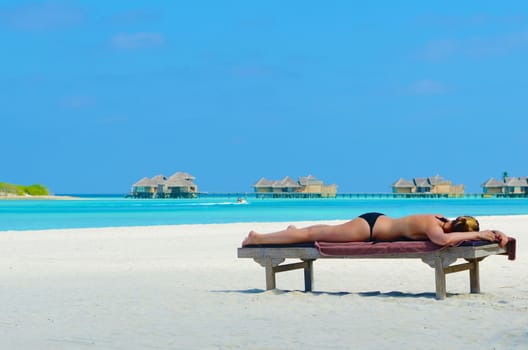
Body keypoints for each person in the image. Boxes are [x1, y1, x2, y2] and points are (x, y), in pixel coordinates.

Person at [242, 213, 510, 248]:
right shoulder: (433, 226)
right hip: (368, 229)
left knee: (317, 230)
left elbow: (454, 232)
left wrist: (498, 234)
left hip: (373, 223)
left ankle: (292, 230)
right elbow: (442, 241)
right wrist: (475, 235)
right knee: (311, 235)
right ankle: (258, 239)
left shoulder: (441, 219)